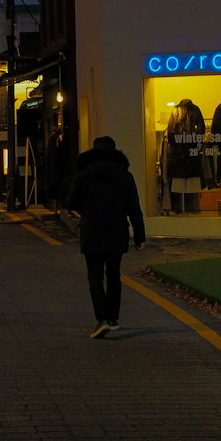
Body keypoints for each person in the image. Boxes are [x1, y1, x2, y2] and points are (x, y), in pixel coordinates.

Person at [67, 135, 145, 338]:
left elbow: (71, 201)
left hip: (92, 230)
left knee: (94, 275)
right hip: (116, 231)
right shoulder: (125, 176)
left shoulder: (84, 174)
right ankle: (112, 318)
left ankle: (102, 318)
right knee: (114, 275)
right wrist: (139, 236)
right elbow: (134, 208)